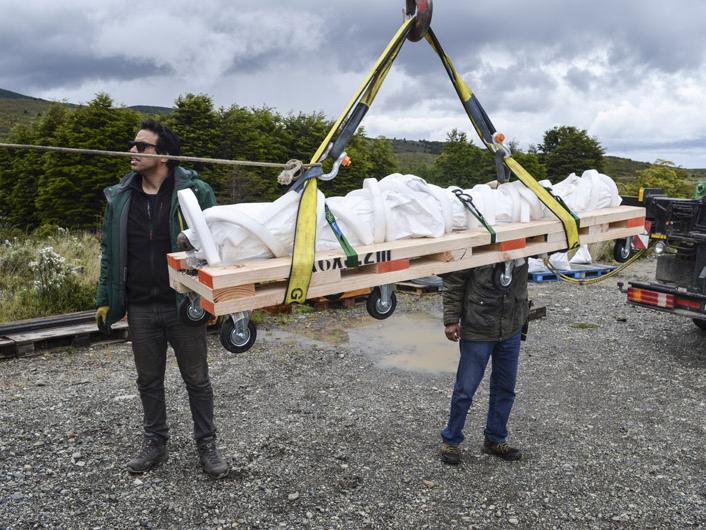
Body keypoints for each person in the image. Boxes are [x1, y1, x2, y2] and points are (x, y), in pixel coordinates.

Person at [95, 119, 228, 478]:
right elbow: (110, 252)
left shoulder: (195, 193)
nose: (132, 151)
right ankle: (155, 442)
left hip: (183, 304)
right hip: (140, 305)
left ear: (164, 155)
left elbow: (216, 247)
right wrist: (105, 298)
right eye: (132, 145)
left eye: (142, 146)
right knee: (148, 379)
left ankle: (207, 445)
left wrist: (216, 298)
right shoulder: (120, 197)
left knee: (197, 378)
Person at [439, 259, 529, 465]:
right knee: (465, 390)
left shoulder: (524, 240)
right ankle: (451, 440)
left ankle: (495, 439)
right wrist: (451, 320)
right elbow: (454, 282)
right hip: (478, 326)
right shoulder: (479, 247)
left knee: (505, 388)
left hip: (511, 326)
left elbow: (555, 245)